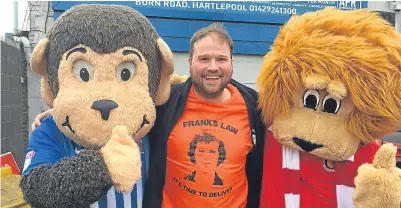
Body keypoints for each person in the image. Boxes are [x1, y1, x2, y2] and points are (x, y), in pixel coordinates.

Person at [32, 22, 265, 208]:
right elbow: (127, 103)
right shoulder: (166, 102)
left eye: (221, 59)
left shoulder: (254, 107)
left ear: (231, 63)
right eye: (204, 59)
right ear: (190, 62)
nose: (212, 67)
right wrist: (67, 108)